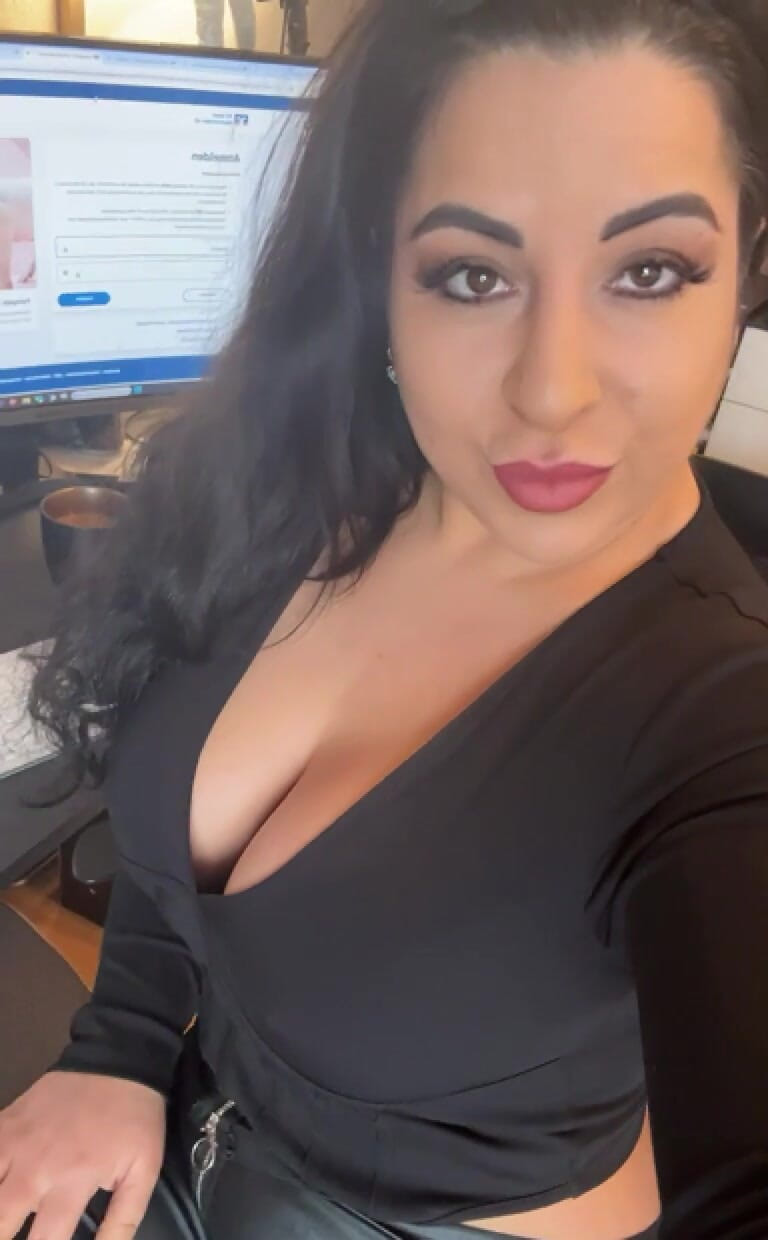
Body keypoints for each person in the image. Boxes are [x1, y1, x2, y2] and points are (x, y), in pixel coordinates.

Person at [3, 0, 768, 1236]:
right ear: (379, 274)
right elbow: (163, 837)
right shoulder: (293, 486)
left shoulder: (722, 724)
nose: (553, 390)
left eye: (649, 271)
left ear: (744, 273)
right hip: (189, 1131)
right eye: (472, 274)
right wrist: (123, 1045)